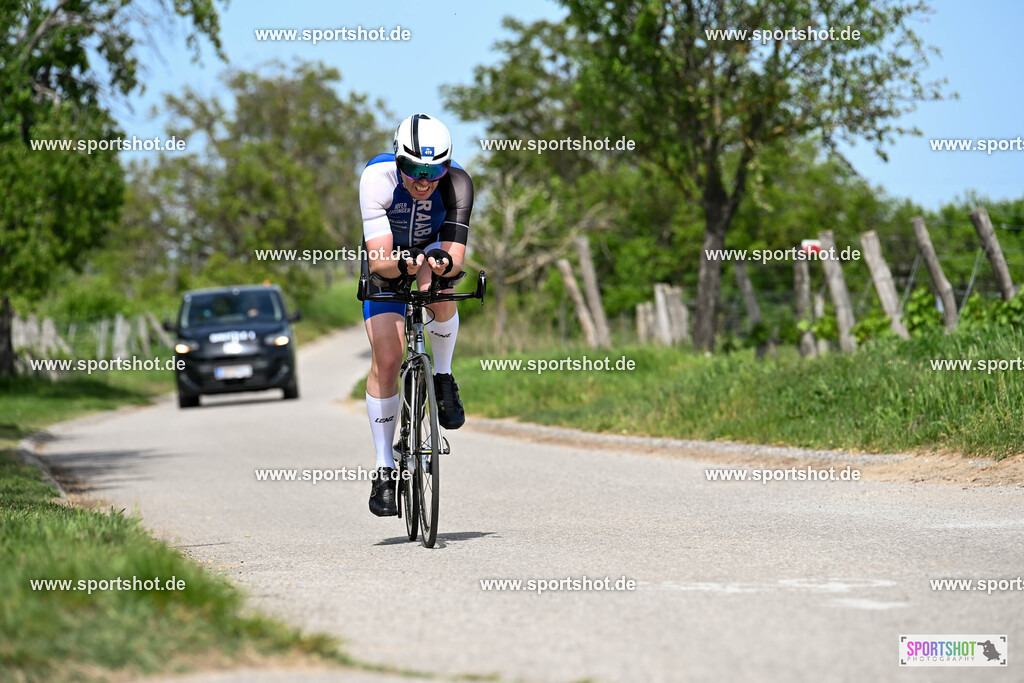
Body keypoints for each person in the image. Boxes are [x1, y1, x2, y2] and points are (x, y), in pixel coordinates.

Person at [358, 113, 473, 517]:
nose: (423, 182)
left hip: (431, 253)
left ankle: (442, 377)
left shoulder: (458, 183)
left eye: (433, 170)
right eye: (413, 170)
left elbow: (455, 259)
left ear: (447, 165)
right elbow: (381, 262)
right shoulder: (377, 177)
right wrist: (407, 265)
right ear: (397, 160)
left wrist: (437, 265)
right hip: (388, 259)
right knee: (388, 359)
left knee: (442, 294)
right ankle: (384, 468)